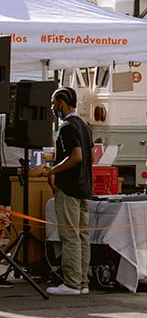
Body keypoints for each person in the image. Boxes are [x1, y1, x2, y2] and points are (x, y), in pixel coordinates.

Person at [42, 87, 93, 296]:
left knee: (70, 235)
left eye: (55, 103)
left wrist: (53, 170)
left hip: (70, 188)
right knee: (82, 236)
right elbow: (89, 155)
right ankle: (82, 281)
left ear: (62, 102)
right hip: (84, 187)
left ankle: (72, 283)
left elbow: (76, 155)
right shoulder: (84, 126)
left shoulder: (67, 127)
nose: (53, 108)